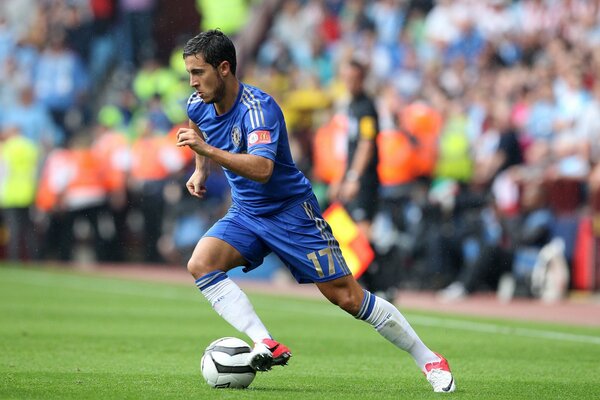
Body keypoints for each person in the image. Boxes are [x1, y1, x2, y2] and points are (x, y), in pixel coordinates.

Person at [175, 30, 456, 393]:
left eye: (198, 73)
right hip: (247, 213)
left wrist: (208, 153)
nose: (193, 83)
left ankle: (429, 358)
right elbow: (198, 127)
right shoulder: (197, 102)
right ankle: (265, 341)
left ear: (224, 68)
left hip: (291, 213)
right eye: (189, 74)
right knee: (201, 264)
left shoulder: (260, 109)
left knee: (348, 297)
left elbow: (262, 170)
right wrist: (200, 169)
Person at [328, 59, 394, 301]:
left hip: (365, 180)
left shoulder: (366, 107)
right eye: (346, 78)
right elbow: (350, 147)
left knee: (363, 233)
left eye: (353, 78)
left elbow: (366, 144)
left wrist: (354, 177)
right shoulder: (352, 106)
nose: (349, 82)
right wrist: (341, 177)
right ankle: (370, 284)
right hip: (353, 176)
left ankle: (383, 286)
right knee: (350, 231)